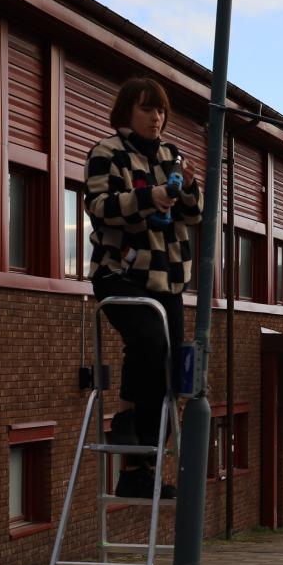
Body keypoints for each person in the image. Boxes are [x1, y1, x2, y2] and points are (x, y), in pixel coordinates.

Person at [84, 77, 205, 498]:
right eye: (146, 109)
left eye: (160, 111)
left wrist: (187, 187)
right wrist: (148, 197)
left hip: (167, 279)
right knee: (150, 346)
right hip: (121, 274)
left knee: (170, 369)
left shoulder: (173, 155)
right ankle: (128, 437)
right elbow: (99, 207)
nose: (156, 118)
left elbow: (193, 215)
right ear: (126, 113)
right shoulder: (106, 153)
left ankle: (143, 469)